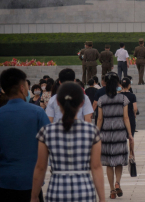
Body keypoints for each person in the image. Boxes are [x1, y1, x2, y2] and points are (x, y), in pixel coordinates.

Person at [31, 82, 105, 202]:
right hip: (84, 191)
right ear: (82, 103)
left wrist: (34, 196)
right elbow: (96, 167)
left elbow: (40, 167)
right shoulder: (92, 131)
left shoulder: (46, 132)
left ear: (58, 103)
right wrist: (102, 199)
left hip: (57, 191)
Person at [0, 68, 50, 201]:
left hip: (4, 182)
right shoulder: (37, 113)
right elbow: (50, 145)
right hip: (31, 183)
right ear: (22, 88)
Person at [96, 74, 132, 199]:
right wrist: (130, 134)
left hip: (106, 133)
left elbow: (100, 119)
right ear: (117, 84)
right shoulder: (123, 99)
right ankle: (118, 182)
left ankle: (111, 189)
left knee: (109, 163)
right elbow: (126, 117)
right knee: (118, 161)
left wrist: (96, 133)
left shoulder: (101, 100)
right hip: (120, 132)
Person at [120, 78, 137, 157]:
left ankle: (122, 153)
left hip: (121, 117)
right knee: (131, 136)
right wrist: (134, 114)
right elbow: (135, 108)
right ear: (129, 85)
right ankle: (131, 153)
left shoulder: (119, 95)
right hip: (130, 116)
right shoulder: (132, 95)